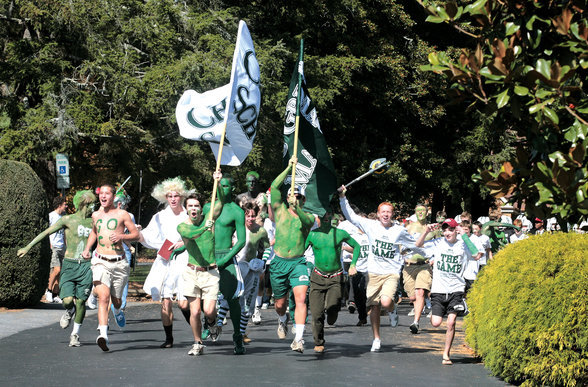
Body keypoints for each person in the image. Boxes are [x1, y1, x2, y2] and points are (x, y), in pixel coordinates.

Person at [338, 185, 422, 352]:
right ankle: (376, 338)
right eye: (382, 211)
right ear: (378, 214)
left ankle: (392, 309)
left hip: (391, 272)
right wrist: (342, 197)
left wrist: (429, 245)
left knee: (385, 301)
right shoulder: (371, 226)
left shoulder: (398, 230)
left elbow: (415, 245)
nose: (385, 214)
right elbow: (351, 216)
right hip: (374, 273)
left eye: (388, 212)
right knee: (374, 306)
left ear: (392, 215)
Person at [18, 190, 96, 347]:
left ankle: (75, 334)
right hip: (69, 264)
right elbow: (46, 232)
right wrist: (28, 247)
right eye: (92, 204)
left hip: (87, 266)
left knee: (81, 301)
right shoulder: (68, 220)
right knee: (68, 301)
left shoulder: (95, 222)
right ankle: (69, 310)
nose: (94, 207)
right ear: (83, 205)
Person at [82, 184, 139, 351]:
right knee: (104, 297)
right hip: (100, 260)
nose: (103, 196)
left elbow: (136, 234)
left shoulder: (123, 214)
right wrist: (87, 248)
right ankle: (103, 335)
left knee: (116, 301)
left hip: (119, 262)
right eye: (101, 193)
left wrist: (121, 236)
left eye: (107, 193)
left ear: (114, 197)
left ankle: (118, 311)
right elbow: (94, 232)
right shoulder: (95, 214)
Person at [416, 219, 481, 365]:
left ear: (455, 230)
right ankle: (439, 313)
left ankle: (446, 354)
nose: (447, 233)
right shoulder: (438, 243)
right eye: (445, 230)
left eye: (450, 230)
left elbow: (477, 255)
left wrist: (464, 236)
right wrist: (426, 231)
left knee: (451, 323)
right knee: (436, 323)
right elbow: (418, 245)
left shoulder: (463, 245)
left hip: (456, 289)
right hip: (439, 289)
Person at [269, 157, 316, 353]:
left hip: (298, 262)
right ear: (287, 198)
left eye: (299, 197)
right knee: (280, 304)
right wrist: (289, 167)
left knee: (300, 299)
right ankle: (282, 319)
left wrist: (298, 210)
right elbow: (273, 186)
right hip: (279, 263)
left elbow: (307, 222)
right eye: (293, 196)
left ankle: (299, 339)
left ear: (303, 200)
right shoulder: (279, 210)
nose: (295, 199)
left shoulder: (309, 217)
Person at [175, 172, 225, 356]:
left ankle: (212, 323)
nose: (194, 209)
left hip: (210, 272)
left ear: (201, 209)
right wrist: (206, 227)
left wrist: (218, 183)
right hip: (191, 272)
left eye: (196, 206)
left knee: (209, 310)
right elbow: (191, 235)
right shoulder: (183, 226)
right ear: (186, 209)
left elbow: (221, 202)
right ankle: (197, 343)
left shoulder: (209, 218)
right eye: (190, 206)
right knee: (194, 312)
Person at [140, 177, 192, 348]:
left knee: (184, 302)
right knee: (166, 300)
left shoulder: (188, 215)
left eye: (176, 195)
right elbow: (147, 236)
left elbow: (198, 237)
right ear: (165, 198)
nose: (173, 199)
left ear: (182, 196)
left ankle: (197, 329)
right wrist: (134, 231)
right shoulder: (159, 217)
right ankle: (168, 339)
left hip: (183, 261)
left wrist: (184, 244)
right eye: (169, 196)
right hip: (164, 261)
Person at [306, 212, 360, 353]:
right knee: (317, 314)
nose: (325, 218)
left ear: (331, 218)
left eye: (327, 215)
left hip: (336, 277)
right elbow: (299, 251)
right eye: (321, 215)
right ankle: (318, 342)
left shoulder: (340, 233)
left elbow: (357, 246)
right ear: (317, 218)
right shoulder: (312, 235)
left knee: (332, 307)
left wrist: (353, 264)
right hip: (317, 277)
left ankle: (333, 312)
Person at [206, 175, 247, 355]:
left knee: (232, 299)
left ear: (232, 188)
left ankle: (238, 336)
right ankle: (210, 323)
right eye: (219, 185)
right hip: (207, 257)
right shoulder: (208, 208)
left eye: (225, 185)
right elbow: (196, 232)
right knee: (203, 300)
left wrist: (225, 259)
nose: (222, 188)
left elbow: (241, 241)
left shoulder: (236, 211)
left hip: (226, 257)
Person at [233, 201, 270, 343]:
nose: (250, 219)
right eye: (247, 216)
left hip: (252, 270)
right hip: (236, 268)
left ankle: (241, 334)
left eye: (253, 216)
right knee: (229, 300)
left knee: (248, 303)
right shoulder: (236, 228)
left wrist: (263, 261)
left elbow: (267, 248)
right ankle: (215, 325)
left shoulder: (261, 231)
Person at [403, 203, 433, 334]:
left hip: (424, 265)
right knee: (412, 297)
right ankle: (415, 314)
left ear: (427, 213)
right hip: (409, 266)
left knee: (420, 292)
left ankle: (416, 322)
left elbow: (440, 244)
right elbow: (400, 242)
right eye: (418, 211)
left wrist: (434, 259)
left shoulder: (433, 229)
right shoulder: (409, 227)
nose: (420, 213)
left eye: (423, 211)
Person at [46, 196, 68, 303]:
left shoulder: (64, 217)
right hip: (53, 246)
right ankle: (49, 291)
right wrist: (49, 244)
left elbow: (64, 233)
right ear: (59, 205)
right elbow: (46, 232)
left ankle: (55, 294)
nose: (66, 206)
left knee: (60, 273)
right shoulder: (51, 216)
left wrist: (66, 246)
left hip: (62, 247)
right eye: (65, 204)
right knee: (56, 270)